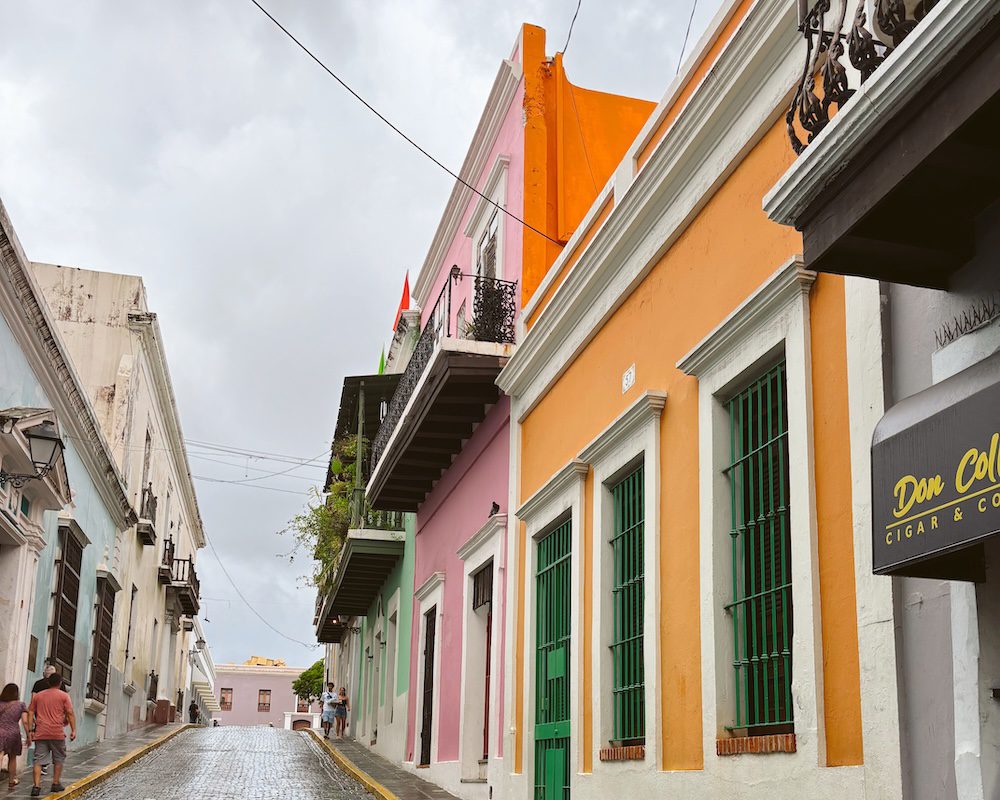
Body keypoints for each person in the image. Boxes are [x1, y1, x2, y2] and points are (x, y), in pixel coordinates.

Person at [26, 672, 75, 798]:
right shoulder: (64, 696)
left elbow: (30, 711)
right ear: (60, 683)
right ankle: (55, 783)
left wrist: (31, 730)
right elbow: (69, 713)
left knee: (38, 760)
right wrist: (73, 730)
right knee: (59, 758)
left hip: (41, 732)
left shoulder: (39, 696)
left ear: (48, 682)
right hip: (57, 732)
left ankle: (36, 786)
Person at [0, 684, 29, 789]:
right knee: (12, 757)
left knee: (0, 754)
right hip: (13, 733)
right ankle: (12, 780)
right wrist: (29, 735)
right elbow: (25, 722)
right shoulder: (20, 705)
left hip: (0, 732)